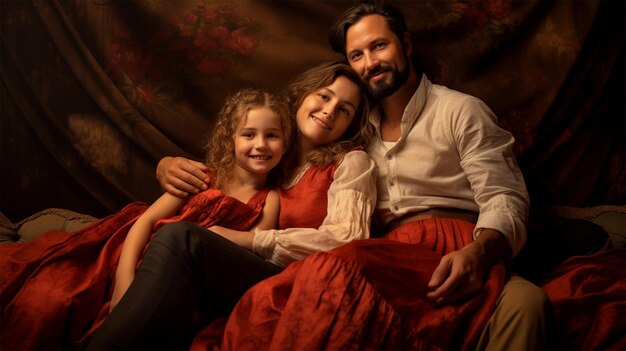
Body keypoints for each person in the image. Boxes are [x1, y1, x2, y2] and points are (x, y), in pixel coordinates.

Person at [158, 1, 552, 350]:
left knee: (527, 303)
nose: (370, 62)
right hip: (388, 255)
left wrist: (478, 253)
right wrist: (171, 166)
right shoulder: (351, 131)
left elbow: (505, 196)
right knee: (319, 288)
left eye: (379, 46)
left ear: (407, 45)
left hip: (462, 241)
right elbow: (256, 152)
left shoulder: (460, 111)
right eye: (357, 55)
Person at [86, 61, 377, 349]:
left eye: (344, 110)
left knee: (181, 237)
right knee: (176, 246)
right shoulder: (273, 158)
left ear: (351, 124)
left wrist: (245, 238)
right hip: (228, 267)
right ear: (301, 95)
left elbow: (347, 239)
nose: (329, 110)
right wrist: (166, 164)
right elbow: (224, 174)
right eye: (324, 96)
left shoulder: (349, 162)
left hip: (291, 276)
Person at [0, 88, 291, 350]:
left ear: (285, 141)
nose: (261, 144)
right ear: (231, 139)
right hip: (134, 253)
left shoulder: (270, 199)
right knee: (55, 299)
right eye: (249, 134)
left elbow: (251, 250)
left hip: (180, 278)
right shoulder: (203, 177)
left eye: (272, 135)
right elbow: (145, 222)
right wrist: (122, 287)